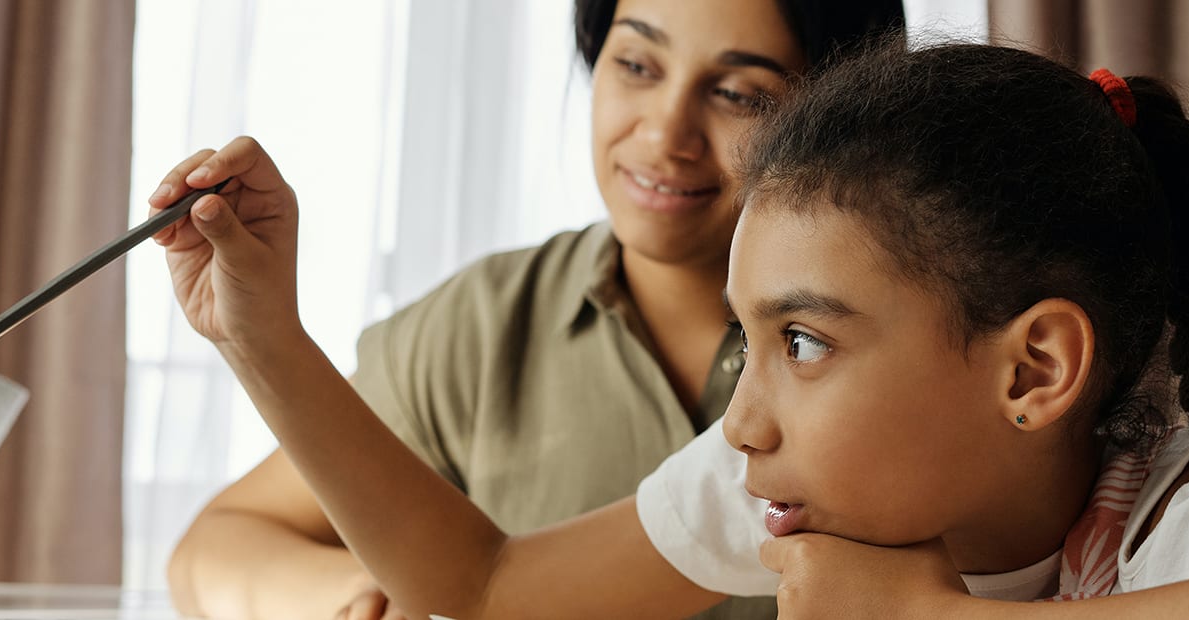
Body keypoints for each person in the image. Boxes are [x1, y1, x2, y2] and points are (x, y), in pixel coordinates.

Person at [149, 39, 1189, 618]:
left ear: (1036, 368)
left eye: (808, 342)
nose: (744, 416)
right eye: (749, 338)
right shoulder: (769, 492)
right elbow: (488, 591)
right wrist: (259, 335)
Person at [156, 1, 904, 618]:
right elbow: (217, 550)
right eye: (638, 66)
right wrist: (371, 598)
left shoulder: (903, 359)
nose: (664, 134)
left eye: (739, 94)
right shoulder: (483, 326)